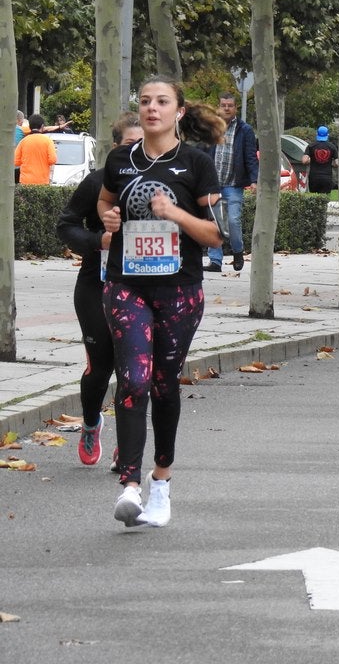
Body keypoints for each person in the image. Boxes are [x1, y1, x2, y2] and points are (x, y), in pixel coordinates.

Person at [98, 75, 225, 527]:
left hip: (179, 289)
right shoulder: (120, 160)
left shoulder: (196, 165)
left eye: (162, 101)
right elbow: (104, 205)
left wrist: (174, 213)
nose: (152, 108)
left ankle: (161, 481)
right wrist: (109, 219)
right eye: (146, 101)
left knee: (163, 383)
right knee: (133, 377)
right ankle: (129, 484)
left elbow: (216, 235)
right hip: (126, 283)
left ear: (179, 111)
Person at [56, 113, 144, 468]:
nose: (136, 151)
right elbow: (66, 225)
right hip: (96, 284)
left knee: (132, 369)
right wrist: (99, 241)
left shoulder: (161, 186)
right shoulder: (96, 183)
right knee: (100, 365)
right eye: (129, 145)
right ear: (115, 147)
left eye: (143, 144)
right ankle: (91, 423)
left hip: (141, 289)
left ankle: (128, 443)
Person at [202, 92, 258, 273]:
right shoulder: (210, 127)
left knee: (233, 220)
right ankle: (215, 261)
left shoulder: (245, 130)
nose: (226, 108)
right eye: (223, 105)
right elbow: (202, 152)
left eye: (230, 105)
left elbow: (250, 156)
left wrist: (254, 179)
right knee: (214, 222)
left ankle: (238, 251)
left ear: (235, 108)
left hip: (233, 184)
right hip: (212, 184)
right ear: (219, 106)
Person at [13, 113, 58, 185]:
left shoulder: (23, 141)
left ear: (29, 126)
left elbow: (16, 161)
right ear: (42, 126)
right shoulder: (48, 141)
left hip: (25, 181)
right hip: (42, 181)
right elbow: (52, 160)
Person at [302, 125, 338, 194]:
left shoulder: (311, 146)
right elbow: (337, 163)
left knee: (315, 200)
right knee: (324, 199)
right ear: (327, 135)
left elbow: (304, 161)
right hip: (327, 177)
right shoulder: (332, 147)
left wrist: (312, 160)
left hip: (314, 177)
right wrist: (330, 162)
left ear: (317, 134)